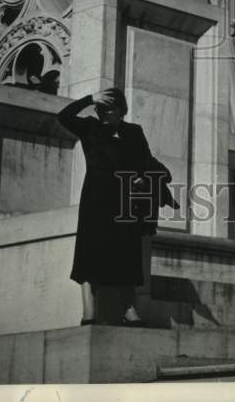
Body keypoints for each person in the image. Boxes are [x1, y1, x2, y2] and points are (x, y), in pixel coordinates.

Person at [57, 86, 176, 326]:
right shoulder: (89, 126)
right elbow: (63, 117)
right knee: (89, 256)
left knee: (127, 256)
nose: (102, 112)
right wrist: (89, 99)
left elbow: (146, 160)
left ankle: (129, 311)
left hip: (125, 201)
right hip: (96, 200)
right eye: (99, 108)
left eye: (108, 108)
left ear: (120, 110)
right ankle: (89, 314)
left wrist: (145, 178)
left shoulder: (133, 132)